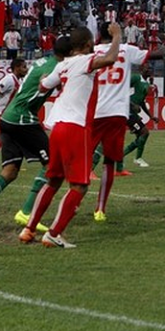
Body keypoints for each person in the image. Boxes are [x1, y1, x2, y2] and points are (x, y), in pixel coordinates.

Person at [19, 24, 121, 248]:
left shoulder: (63, 65)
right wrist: (117, 35)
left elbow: (43, 85)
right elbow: (111, 58)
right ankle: (54, 233)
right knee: (79, 186)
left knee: (53, 180)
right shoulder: (85, 60)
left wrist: (47, 78)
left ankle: (29, 229)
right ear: (86, 45)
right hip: (76, 127)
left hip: (58, 127)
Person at [0, 37, 72, 237]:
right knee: (52, 165)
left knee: (10, 171)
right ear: (70, 53)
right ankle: (27, 212)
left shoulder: (44, 61)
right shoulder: (57, 67)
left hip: (9, 118)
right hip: (23, 118)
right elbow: (45, 84)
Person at [90, 25, 165, 221]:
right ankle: (100, 208)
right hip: (117, 113)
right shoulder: (127, 50)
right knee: (109, 163)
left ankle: (74, 199)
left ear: (97, 36)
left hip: (94, 111)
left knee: (82, 157)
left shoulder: (91, 53)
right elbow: (160, 54)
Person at [118, 67, 158, 171]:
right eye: (146, 67)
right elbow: (121, 89)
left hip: (132, 112)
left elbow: (142, 102)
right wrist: (131, 104)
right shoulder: (136, 78)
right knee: (144, 132)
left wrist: (151, 116)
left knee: (141, 136)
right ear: (141, 70)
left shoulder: (146, 84)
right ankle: (137, 158)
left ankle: (122, 157)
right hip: (127, 110)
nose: (148, 69)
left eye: (149, 68)